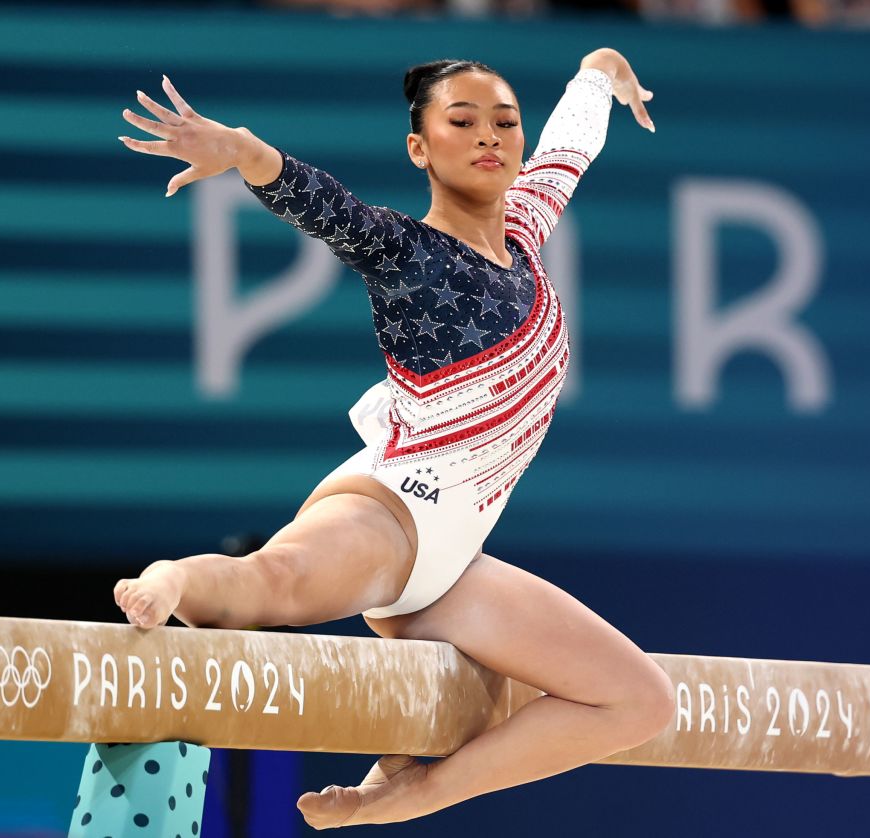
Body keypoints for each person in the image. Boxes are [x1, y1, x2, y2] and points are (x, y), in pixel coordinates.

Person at [112, 50, 673, 829]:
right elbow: (331, 208)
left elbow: (569, 148)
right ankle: (175, 579)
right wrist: (243, 151)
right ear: (420, 147)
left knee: (639, 700)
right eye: (462, 122)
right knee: (275, 584)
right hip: (393, 511)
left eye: (505, 122)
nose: (490, 136)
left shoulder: (526, 229)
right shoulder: (408, 252)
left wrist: (598, 72)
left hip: (456, 567)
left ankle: (409, 791)